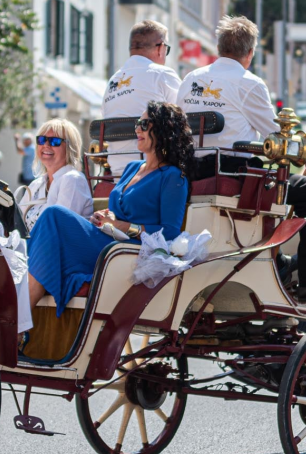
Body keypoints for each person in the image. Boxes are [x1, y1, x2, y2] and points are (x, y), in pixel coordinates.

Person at [176, 15, 306, 301]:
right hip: (233, 177)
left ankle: (277, 258)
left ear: (220, 47)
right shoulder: (250, 83)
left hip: (192, 173)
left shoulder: (191, 79)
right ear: (249, 54)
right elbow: (277, 136)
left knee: (277, 181)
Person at [26, 102, 193, 316]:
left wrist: (123, 225)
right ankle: (24, 319)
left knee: (53, 215)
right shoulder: (133, 168)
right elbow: (118, 211)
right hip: (108, 239)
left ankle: (20, 320)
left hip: (128, 250)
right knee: (49, 224)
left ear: (163, 129)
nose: (137, 129)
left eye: (144, 124)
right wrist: (106, 217)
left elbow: (170, 232)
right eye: (137, 124)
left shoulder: (173, 177)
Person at [101, 20, 181, 176]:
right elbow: (185, 118)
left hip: (118, 171)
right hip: (152, 168)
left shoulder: (113, 81)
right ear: (160, 48)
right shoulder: (162, 75)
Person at [17, 118, 93, 231]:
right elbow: (17, 222)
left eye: (54, 141)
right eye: (42, 140)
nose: (46, 145)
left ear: (69, 148)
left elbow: (58, 230)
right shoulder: (36, 184)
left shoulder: (72, 179)